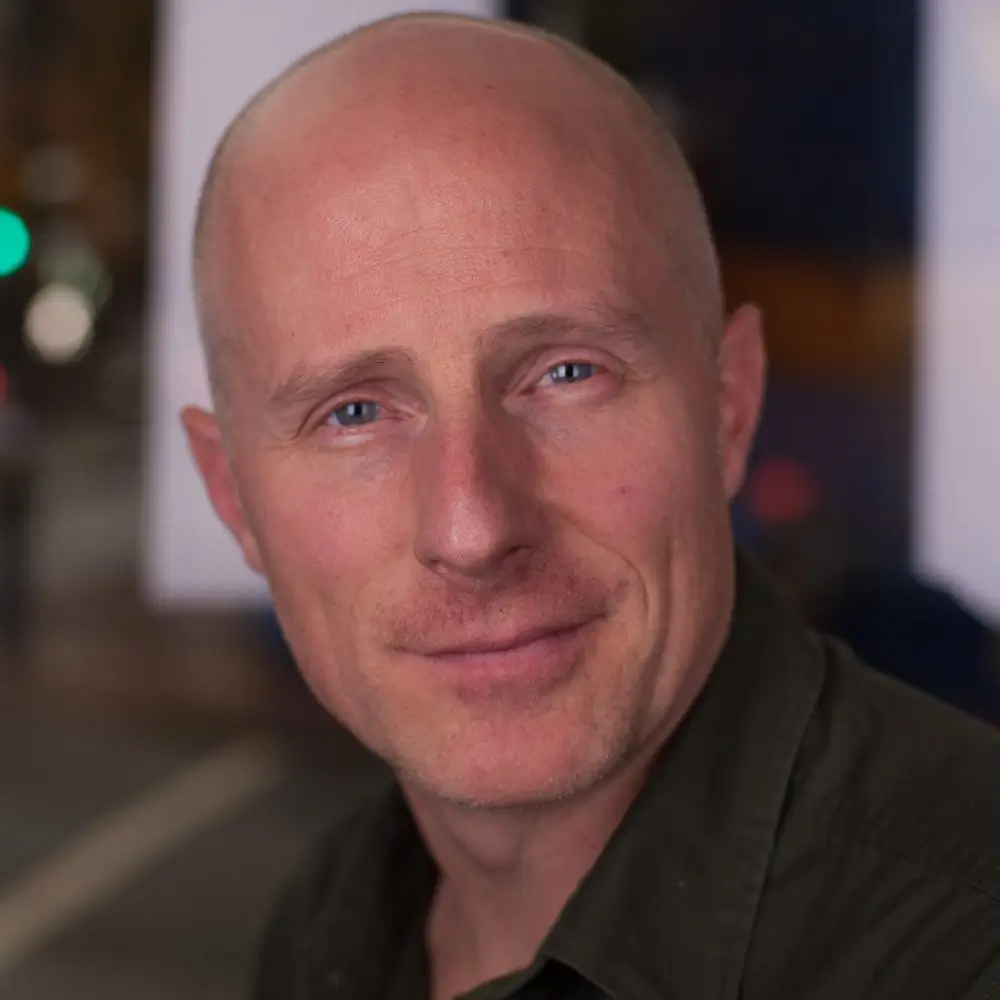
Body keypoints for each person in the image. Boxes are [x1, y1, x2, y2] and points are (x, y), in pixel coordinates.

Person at [182, 13, 1000, 1000]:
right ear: (232, 494)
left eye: (567, 373)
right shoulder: (330, 925)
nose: (472, 528)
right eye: (353, 412)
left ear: (729, 404)